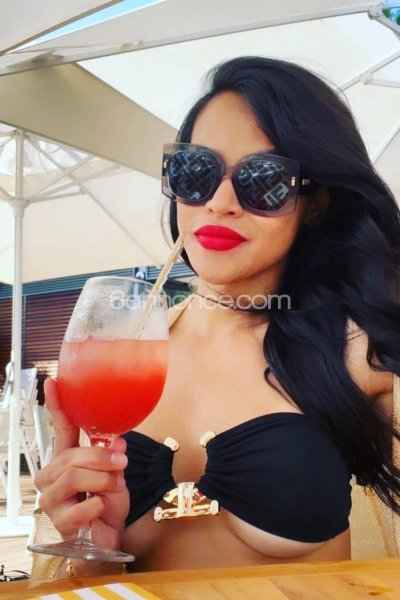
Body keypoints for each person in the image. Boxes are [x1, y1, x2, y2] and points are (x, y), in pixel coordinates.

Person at [35, 56, 400, 576]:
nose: (220, 202)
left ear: (316, 203)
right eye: (197, 171)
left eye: (265, 179)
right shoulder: (126, 357)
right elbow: (90, 579)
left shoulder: (360, 349)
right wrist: (91, 542)